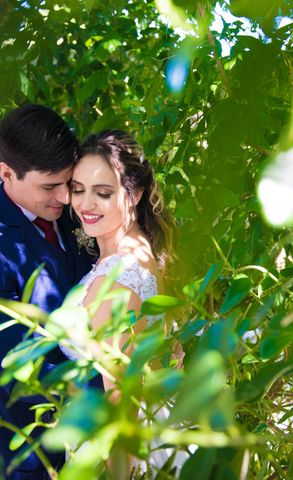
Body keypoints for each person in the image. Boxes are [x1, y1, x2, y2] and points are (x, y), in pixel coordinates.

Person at [0, 104, 101, 479]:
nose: (65, 198)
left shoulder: (73, 212)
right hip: (30, 447)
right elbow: (12, 363)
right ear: (6, 174)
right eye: (50, 186)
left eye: (67, 183)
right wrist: (113, 385)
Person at [63, 129, 179, 473]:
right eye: (78, 189)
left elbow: (121, 401)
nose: (85, 204)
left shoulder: (113, 282)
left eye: (102, 193)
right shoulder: (144, 247)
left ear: (135, 193)